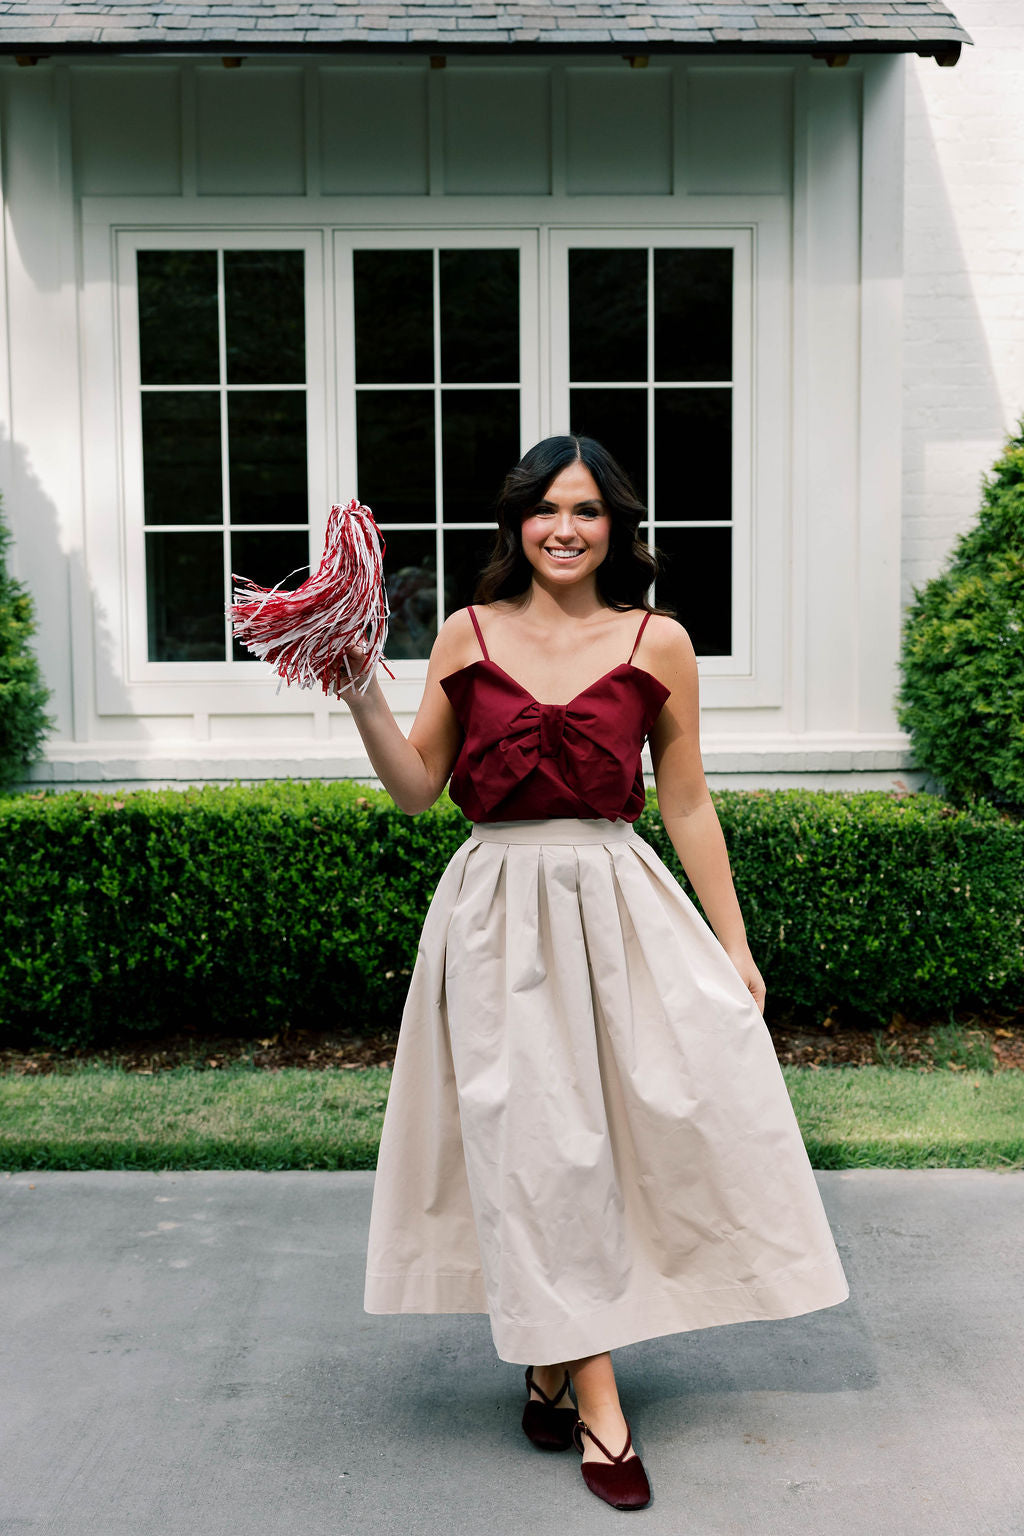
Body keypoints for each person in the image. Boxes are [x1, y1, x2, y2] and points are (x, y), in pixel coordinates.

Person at [347, 435, 849, 1512]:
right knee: (538, 1151)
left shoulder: (656, 640)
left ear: (615, 524)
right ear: (514, 524)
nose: (563, 528)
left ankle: (548, 1359)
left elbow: (685, 801)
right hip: (495, 919)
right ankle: (601, 1401)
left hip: (620, 911)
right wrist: (360, 696)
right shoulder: (464, 633)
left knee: (616, 1143)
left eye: (584, 510)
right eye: (542, 509)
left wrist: (735, 943)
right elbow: (416, 791)